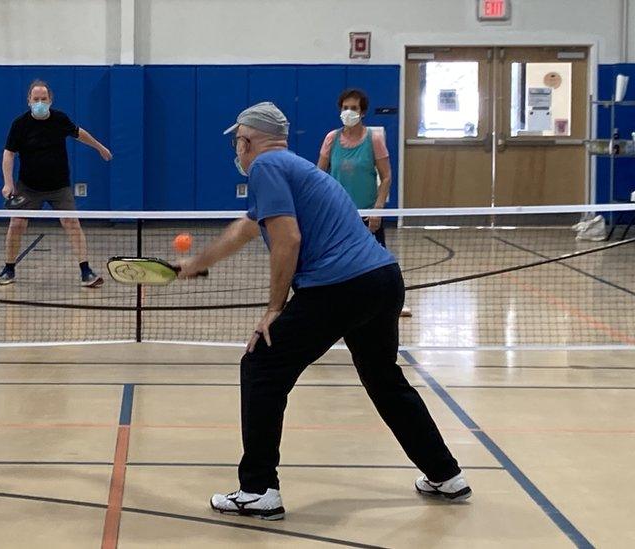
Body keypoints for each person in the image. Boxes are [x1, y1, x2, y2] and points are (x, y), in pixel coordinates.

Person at [179, 102, 470, 521]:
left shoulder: (266, 168)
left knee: (262, 365)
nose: (236, 148)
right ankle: (445, 474)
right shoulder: (295, 168)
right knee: (384, 379)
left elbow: (288, 240)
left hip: (341, 285)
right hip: (383, 280)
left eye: (237, 139)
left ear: (248, 140)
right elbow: (247, 227)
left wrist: (274, 310)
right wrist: (199, 262)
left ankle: (258, 489)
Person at [0, 79, 112, 287]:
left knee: (72, 224)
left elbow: (79, 133)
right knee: (17, 224)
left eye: (44, 99)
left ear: (50, 100)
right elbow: (8, 154)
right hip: (28, 187)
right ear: (29, 101)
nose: (40, 102)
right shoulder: (20, 124)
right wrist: (8, 183)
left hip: (59, 187)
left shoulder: (59, 119)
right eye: (36, 99)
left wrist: (99, 147)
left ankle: (86, 271)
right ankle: (9, 268)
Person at [317, 88, 411, 316]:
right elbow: (318, 176)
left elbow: (386, 176)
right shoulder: (332, 138)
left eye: (354, 108)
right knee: (336, 259)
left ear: (363, 112)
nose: (349, 112)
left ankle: (392, 303)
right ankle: (339, 303)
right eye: (345, 108)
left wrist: (378, 210)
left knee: (380, 263)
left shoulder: (373, 139)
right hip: (338, 213)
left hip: (368, 213)